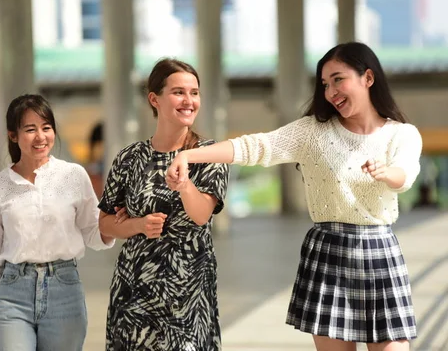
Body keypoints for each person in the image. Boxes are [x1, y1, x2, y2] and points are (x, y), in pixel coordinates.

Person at [167, 42, 423, 351]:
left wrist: (386, 172)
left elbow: (405, 175)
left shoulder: (402, 134)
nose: (330, 92)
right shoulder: (312, 132)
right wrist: (191, 155)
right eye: (325, 84)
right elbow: (255, 147)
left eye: (338, 79)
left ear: (368, 78)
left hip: (380, 252)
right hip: (330, 251)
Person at [98, 58, 230, 350]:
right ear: (154, 99)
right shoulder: (129, 158)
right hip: (134, 287)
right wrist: (137, 225)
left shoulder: (209, 154)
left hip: (189, 288)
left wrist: (184, 185)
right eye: (179, 92)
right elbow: (105, 224)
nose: (189, 101)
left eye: (194, 93)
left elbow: (201, 215)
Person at [0, 94, 114, 350]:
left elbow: (93, 233)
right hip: (13, 295)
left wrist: (118, 223)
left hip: (65, 290)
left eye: (46, 128)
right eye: (30, 129)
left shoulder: (74, 175)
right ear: (13, 135)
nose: (40, 137)